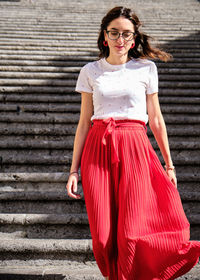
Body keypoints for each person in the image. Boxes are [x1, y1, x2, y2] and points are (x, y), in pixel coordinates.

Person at [66, 6, 200, 280]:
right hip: (98, 148)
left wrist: (169, 164)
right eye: (114, 33)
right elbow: (83, 123)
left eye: (127, 34)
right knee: (103, 238)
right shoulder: (90, 70)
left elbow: (156, 119)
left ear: (135, 38)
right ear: (104, 36)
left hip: (135, 147)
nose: (120, 39)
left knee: (130, 234)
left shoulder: (146, 68)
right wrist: (73, 170)